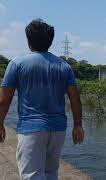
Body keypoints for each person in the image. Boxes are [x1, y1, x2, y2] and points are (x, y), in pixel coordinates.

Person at [0, 19, 84, 180]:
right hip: (58, 129)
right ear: (50, 42)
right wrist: (78, 125)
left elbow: (4, 100)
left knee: (32, 175)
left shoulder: (16, 64)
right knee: (51, 172)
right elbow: (75, 99)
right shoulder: (64, 66)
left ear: (29, 40)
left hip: (31, 129)